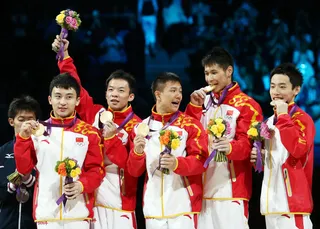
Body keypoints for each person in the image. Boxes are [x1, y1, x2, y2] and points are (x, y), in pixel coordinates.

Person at [52, 36, 142, 229]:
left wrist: (111, 140)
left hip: (120, 200)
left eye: (120, 91)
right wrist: (64, 55)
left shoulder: (137, 125)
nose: (114, 94)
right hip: (91, 195)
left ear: (131, 96)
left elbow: (132, 167)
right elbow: (76, 88)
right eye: (110, 90)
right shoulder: (96, 113)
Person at [185, 47, 263, 229]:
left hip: (231, 190)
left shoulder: (247, 106)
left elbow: (248, 146)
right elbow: (188, 137)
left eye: (214, 72)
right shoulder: (202, 102)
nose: (209, 78)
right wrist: (193, 108)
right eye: (206, 73)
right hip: (201, 190)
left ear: (229, 71)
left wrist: (230, 148)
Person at [14, 73, 105, 229]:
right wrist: (22, 139)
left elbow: (97, 170)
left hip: (78, 214)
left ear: (77, 101)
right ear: (50, 99)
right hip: (46, 213)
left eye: (69, 97)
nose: (63, 102)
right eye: (58, 96)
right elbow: (24, 169)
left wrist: (81, 185)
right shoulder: (36, 131)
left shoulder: (89, 133)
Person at [127, 72, 208, 229]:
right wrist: (137, 152)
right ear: (158, 95)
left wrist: (177, 163)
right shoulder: (141, 128)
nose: (178, 95)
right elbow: (134, 172)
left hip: (184, 207)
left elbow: (202, 161)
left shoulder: (191, 125)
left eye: (180, 91)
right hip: (153, 209)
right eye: (172, 90)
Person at [250, 63, 315, 229]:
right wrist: (260, 158)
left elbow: (298, 150)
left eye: (282, 86)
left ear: (296, 90)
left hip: (292, 204)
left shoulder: (302, 119)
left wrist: (285, 116)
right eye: (272, 86)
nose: (276, 91)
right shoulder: (269, 122)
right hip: (271, 204)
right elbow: (275, 160)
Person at [0, 95, 40, 229]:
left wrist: (29, 180)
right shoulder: (2, 152)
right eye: (21, 120)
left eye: (30, 119)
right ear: (11, 121)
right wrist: (11, 185)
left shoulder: (43, 150)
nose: (26, 124)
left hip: (36, 221)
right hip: (7, 221)